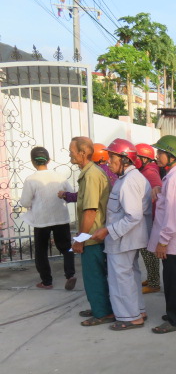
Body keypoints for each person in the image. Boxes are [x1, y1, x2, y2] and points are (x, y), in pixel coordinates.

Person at [90, 139, 152, 331]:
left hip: (123, 239)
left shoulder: (129, 182)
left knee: (121, 279)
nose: (108, 162)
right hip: (127, 238)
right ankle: (138, 311)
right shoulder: (128, 178)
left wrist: (107, 230)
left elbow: (133, 216)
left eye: (112, 158)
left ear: (125, 159)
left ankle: (131, 317)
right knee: (130, 276)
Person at [147, 135, 176, 334]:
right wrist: (160, 189)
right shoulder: (175, 176)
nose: (157, 156)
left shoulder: (175, 179)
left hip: (172, 241)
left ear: (171, 156)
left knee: (173, 280)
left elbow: (172, 214)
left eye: (161, 152)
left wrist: (163, 242)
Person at [68, 136, 114, 326]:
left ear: (83, 153)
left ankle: (102, 312)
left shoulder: (91, 175)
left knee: (93, 276)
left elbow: (90, 211)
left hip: (93, 236)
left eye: (72, 151)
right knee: (95, 275)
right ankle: (99, 307)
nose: (70, 155)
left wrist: (80, 239)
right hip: (93, 234)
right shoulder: (89, 173)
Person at [20, 146, 76, 291]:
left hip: (41, 220)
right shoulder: (60, 177)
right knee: (66, 248)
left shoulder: (30, 179)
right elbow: (70, 194)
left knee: (41, 251)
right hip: (61, 217)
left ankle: (46, 281)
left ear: (33, 161)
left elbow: (25, 202)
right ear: (48, 160)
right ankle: (70, 275)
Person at [135, 142, 163, 294]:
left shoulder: (150, 172)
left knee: (148, 252)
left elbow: (157, 195)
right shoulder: (146, 170)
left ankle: (154, 283)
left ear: (144, 158)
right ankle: (152, 277)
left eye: (136, 157)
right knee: (146, 251)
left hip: (149, 219)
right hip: (148, 217)